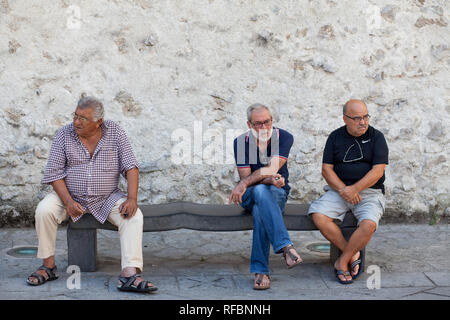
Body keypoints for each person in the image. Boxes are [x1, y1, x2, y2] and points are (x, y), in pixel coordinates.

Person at [26, 96, 157, 293]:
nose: (76, 122)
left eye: (83, 119)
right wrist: (68, 202)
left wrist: (132, 198)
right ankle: (48, 266)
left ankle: (129, 274)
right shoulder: (64, 134)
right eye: (75, 116)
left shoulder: (115, 132)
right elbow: (54, 173)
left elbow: (131, 167)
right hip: (69, 196)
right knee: (44, 210)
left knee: (134, 216)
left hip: (107, 198)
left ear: (98, 122)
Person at [308, 99, 389, 284]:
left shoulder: (377, 137)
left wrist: (355, 189)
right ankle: (352, 254)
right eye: (357, 118)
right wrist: (344, 189)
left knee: (368, 224)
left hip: (369, 192)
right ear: (345, 119)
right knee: (318, 215)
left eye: (366, 116)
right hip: (339, 191)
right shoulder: (335, 137)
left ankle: (342, 261)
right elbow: (326, 169)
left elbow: (378, 171)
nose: (363, 122)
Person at [229, 103, 302, 290]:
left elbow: (271, 169)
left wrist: (252, 182)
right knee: (260, 192)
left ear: (272, 120)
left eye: (267, 122)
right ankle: (285, 246)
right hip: (249, 195)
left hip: (277, 193)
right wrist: (258, 181)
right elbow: (247, 179)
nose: (263, 127)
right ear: (249, 124)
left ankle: (261, 271)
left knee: (261, 208)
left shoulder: (284, 137)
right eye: (258, 124)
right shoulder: (241, 142)